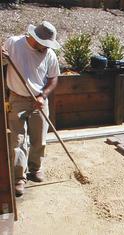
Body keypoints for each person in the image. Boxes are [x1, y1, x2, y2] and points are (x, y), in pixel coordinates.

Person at [3, 21, 61, 196]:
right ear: (35, 39)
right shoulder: (13, 43)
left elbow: (53, 79)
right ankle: (19, 178)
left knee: (39, 138)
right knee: (17, 141)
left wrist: (42, 96)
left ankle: (35, 168)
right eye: (45, 45)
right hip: (17, 98)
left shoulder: (49, 54)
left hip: (39, 101)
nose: (47, 48)